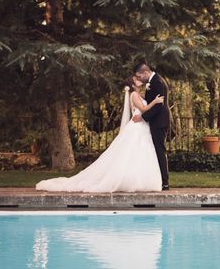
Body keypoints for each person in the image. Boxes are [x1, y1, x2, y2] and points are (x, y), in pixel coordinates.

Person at [35, 75, 164, 192]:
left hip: (141, 125)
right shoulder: (134, 95)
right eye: (136, 79)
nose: (139, 79)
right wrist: (155, 102)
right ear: (132, 84)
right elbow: (143, 109)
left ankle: (139, 179)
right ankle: (132, 181)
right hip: (137, 126)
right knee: (132, 153)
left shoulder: (138, 94)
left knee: (139, 153)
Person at [132, 62, 171, 190]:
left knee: (160, 151)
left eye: (139, 76)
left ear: (145, 73)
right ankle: (159, 180)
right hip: (156, 121)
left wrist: (142, 117)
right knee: (156, 150)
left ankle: (165, 182)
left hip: (159, 121)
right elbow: (150, 103)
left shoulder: (157, 82)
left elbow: (158, 106)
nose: (139, 79)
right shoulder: (153, 81)